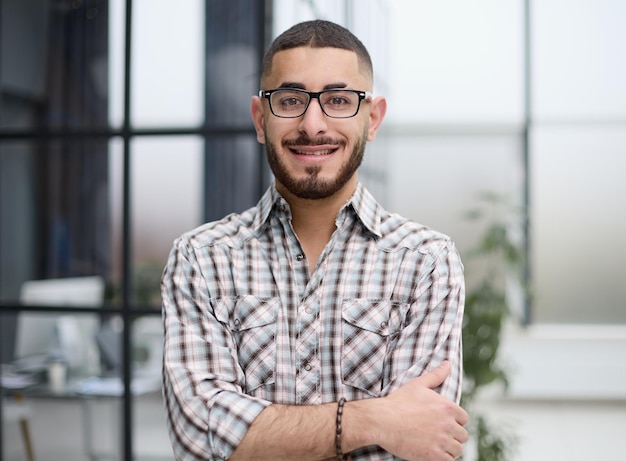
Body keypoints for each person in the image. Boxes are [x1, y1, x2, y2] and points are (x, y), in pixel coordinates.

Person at [161, 19, 468, 461]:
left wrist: (260, 435)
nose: (313, 124)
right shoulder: (200, 259)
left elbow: (421, 443)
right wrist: (373, 420)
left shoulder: (426, 261)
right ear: (260, 118)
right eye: (290, 100)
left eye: (339, 100)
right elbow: (202, 435)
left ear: (373, 118)